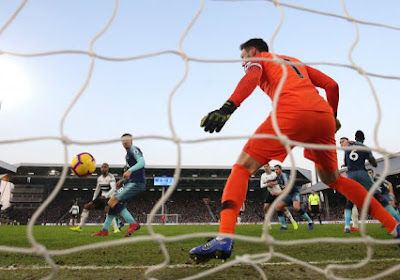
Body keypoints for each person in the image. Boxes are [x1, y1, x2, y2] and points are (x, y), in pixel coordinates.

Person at [189, 38, 400, 263]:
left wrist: (228, 107)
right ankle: (394, 226)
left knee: (242, 168)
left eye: (242, 58)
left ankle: (225, 235)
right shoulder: (295, 62)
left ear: (252, 51)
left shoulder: (259, 59)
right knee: (335, 180)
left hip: (290, 113)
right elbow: (332, 85)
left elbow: (251, 77)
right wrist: (333, 116)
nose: (243, 63)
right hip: (323, 117)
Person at [340, 135, 400, 233]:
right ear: (363, 139)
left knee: (349, 200)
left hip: (351, 174)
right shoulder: (365, 147)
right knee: (378, 197)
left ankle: (347, 226)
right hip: (362, 173)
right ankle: (398, 220)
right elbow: (374, 163)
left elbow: (346, 162)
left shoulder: (347, 148)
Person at [92, 133, 146, 237]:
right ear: (121, 143)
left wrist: (129, 170)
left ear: (131, 141)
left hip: (137, 183)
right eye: (123, 140)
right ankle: (104, 230)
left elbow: (142, 162)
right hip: (133, 182)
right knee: (112, 206)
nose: (125, 141)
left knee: (112, 201)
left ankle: (133, 223)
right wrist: (122, 180)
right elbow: (134, 172)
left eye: (127, 140)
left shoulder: (133, 149)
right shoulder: (127, 156)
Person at [70, 163, 121, 233]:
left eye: (105, 167)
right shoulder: (99, 178)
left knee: (107, 211)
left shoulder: (111, 177)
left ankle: (116, 228)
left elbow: (113, 188)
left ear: (107, 169)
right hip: (102, 197)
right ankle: (80, 226)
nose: (103, 168)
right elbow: (97, 189)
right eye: (102, 167)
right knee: (86, 206)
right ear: (100, 169)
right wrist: (93, 199)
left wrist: (106, 195)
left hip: (110, 197)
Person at [274, 165, 314, 229]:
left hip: (294, 193)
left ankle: (310, 222)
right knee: (278, 207)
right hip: (287, 195)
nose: (276, 171)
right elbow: (276, 183)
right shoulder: (278, 178)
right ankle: (284, 226)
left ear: (280, 169)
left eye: (277, 169)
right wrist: (268, 184)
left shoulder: (284, 176)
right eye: (275, 170)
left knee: (297, 207)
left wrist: (279, 193)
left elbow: (287, 187)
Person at [260, 164, 298, 230]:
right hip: (271, 193)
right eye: (264, 167)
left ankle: (293, 221)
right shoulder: (263, 176)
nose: (266, 168)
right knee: (265, 208)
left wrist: (273, 183)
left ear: (269, 167)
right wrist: (268, 184)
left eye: (267, 167)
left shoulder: (274, 174)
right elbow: (261, 185)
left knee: (284, 208)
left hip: (278, 192)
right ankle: (268, 224)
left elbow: (280, 181)